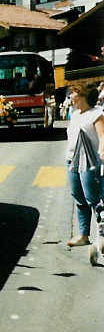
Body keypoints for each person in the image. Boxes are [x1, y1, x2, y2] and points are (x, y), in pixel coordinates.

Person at [65, 83, 104, 249]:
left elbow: (102, 136)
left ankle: (102, 236)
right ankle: (84, 235)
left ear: (82, 96)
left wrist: (103, 149)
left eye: (72, 94)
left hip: (90, 162)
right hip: (72, 161)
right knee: (79, 198)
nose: (70, 98)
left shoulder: (96, 114)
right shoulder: (74, 114)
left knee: (94, 199)